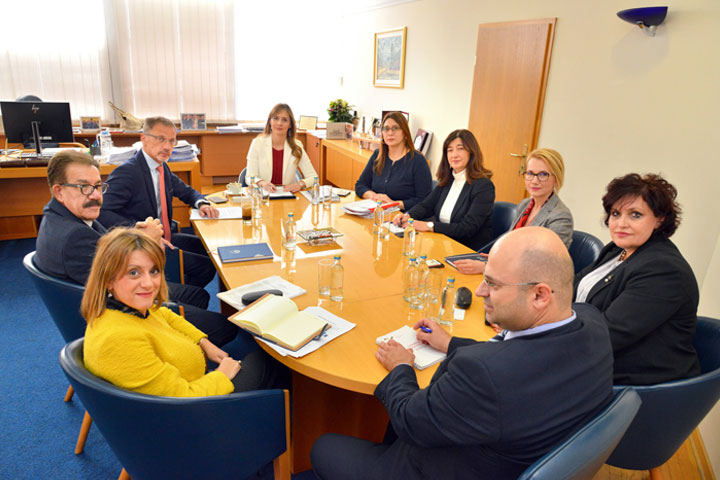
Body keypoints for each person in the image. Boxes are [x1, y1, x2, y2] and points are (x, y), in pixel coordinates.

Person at [311, 227, 614, 480]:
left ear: (539, 295)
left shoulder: (483, 374)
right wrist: (451, 343)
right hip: (512, 451)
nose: (481, 291)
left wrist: (402, 367)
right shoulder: (593, 323)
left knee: (323, 447)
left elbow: (410, 420)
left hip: (439, 468)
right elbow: (522, 362)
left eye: (493, 284)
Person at [35, 150, 239, 347]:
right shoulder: (74, 236)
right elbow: (120, 286)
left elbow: (106, 251)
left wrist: (136, 236)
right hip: (120, 316)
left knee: (199, 296)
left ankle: (184, 344)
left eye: (98, 186)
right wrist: (146, 244)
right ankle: (179, 351)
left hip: (109, 300)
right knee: (226, 327)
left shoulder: (61, 217)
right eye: (83, 187)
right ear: (59, 191)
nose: (95, 195)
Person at [82, 228, 281, 396]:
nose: (149, 283)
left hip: (196, 385)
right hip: (198, 416)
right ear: (107, 279)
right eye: (134, 273)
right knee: (272, 359)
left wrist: (204, 343)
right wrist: (222, 375)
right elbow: (184, 397)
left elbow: (166, 315)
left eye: (154, 271)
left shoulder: (128, 309)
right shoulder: (118, 340)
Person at [574, 173, 700, 385]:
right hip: (595, 358)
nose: (621, 224)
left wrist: (542, 333)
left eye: (635, 215)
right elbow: (572, 286)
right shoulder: (617, 250)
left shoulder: (663, 270)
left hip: (637, 382)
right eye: (615, 213)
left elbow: (607, 335)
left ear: (659, 219)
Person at [98, 116, 218, 288]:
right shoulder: (127, 172)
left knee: (207, 249)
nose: (167, 146)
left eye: (171, 141)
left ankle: (174, 289)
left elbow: (186, 191)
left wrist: (202, 203)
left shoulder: (161, 167)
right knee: (205, 268)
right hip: (141, 244)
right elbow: (102, 213)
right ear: (143, 138)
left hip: (164, 236)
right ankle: (171, 295)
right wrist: (138, 230)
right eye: (161, 139)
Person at [453, 147, 573, 274]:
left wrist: (489, 268)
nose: (534, 181)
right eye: (530, 173)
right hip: (509, 272)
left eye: (543, 174)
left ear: (556, 178)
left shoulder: (561, 217)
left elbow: (544, 266)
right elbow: (513, 246)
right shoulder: (525, 204)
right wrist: (497, 259)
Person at [393, 129, 494, 250]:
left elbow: (467, 228)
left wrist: (428, 226)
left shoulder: (483, 186)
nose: (454, 155)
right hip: (442, 243)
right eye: (450, 150)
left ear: (472, 152)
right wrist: (408, 216)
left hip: (466, 250)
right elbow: (426, 206)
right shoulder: (447, 181)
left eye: (460, 149)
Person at [355, 112, 432, 211]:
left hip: (402, 218)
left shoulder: (417, 161)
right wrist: (374, 197)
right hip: (375, 212)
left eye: (395, 128)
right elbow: (360, 185)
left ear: (404, 132)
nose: (390, 133)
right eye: (386, 129)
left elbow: (425, 201)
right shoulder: (377, 156)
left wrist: (394, 204)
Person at [246, 103, 318, 193]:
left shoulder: (297, 146)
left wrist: (299, 184)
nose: (279, 123)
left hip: (287, 196)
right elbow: (249, 177)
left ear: (290, 125)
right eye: (276, 118)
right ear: (269, 121)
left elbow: (314, 177)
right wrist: (262, 183)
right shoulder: (257, 143)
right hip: (263, 197)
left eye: (284, 120)